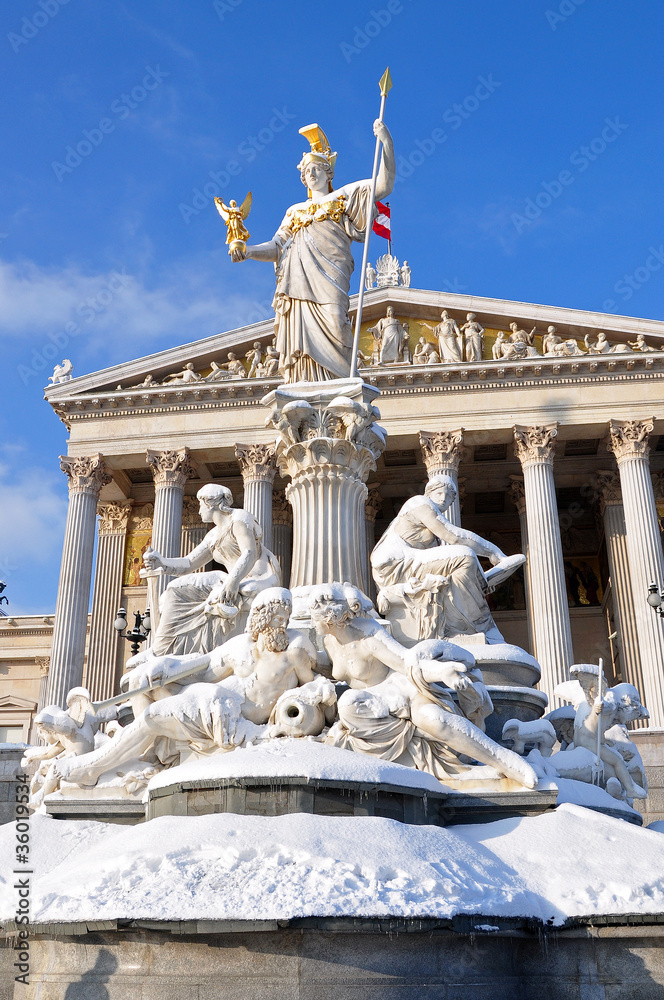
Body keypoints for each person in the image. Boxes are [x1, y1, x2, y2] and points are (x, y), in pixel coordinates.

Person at [55, 590, 317, 786]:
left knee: (151, 717)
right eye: (275, 618)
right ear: (260, 619)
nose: (281, 625)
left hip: (224, 714)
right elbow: (204, 665)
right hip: (207, 701)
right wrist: (166, 667)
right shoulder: (240, 647)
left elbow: (313, 687)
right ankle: (150, 754)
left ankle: (92, 768)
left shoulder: (295, 651)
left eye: (285, 619)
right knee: (142, 686)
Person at [311, 583, 537, 788]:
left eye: (315, 617)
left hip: (399, 691)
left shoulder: (368, 634)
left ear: (331, 616)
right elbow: (323, 667)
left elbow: (406, 662)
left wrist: (442, 672)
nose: (311, 623)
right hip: (370, 705)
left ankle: (505, 760)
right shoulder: (329, 641)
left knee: (433, 719)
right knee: (347, 705)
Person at [231, 121, 395, 382]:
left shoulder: (343, 196)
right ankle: (306, 383)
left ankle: (342, 382)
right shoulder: (294, 211)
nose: (312, 174)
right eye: (307, 171)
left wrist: (386, 142)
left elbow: (383, 185)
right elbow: (277, 246)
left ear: (328, 173)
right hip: (298, 285)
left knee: (335, 321)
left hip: (331, 277)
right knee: (301, 339)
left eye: (317, 169)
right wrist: (248, 251)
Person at [371, 474, 525, 642]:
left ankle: (465, 625)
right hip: (393, 564)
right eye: (439, 493)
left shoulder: (433, 532)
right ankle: (477, 625)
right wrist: (493, 552)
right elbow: (453, 536)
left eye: (449, 497)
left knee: (459, 565)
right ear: (429, 493)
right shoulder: (419, 503)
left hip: (408, 562)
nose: (444, 499)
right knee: (465, 556)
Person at [139, 484, 280, 656]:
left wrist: (233, 582)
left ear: (211, 503)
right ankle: (163, 650)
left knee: (183, 591)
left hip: (257, 581)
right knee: (174, 590)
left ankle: (163, 651)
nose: (199, 511)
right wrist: (161, 562)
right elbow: (189, 563)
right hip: (232, 581)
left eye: (200, 505)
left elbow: (249, 553)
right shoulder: (213, 535)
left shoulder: (239, 519)